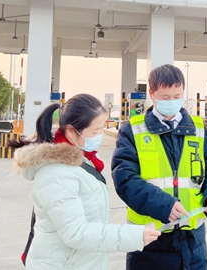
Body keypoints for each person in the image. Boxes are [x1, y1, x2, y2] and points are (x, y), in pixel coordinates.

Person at [12, 93, 161, 270]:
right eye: (95, 132)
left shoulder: (82, 161)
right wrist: (133, 236)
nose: (99, 136)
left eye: (101, 130)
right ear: (71, 131)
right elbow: (76, 233)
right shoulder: (56, 173)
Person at [112, 64, 207, 270]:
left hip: (193, 243)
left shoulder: (198, 129)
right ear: (152, 93)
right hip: (150, 243)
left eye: (177, 96)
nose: (172, 101)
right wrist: (163, 205)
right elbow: (124, 178)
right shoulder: (133, 130)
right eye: (165, 97)